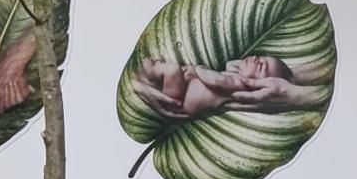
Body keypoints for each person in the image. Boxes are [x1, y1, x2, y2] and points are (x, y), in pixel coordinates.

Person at [132, 55, 329, 119]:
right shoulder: (236, 76)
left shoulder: (241, 86)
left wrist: (197, 70)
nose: (256, 60)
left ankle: (153, 70)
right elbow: (231, 65)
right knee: (165, 71)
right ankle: (153, 71)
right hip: (178, 97)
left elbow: (216, 81)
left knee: (172, 70)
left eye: (261, 67)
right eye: (259, 57)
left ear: (261, 85)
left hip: (179, 101)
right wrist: (243, 65)